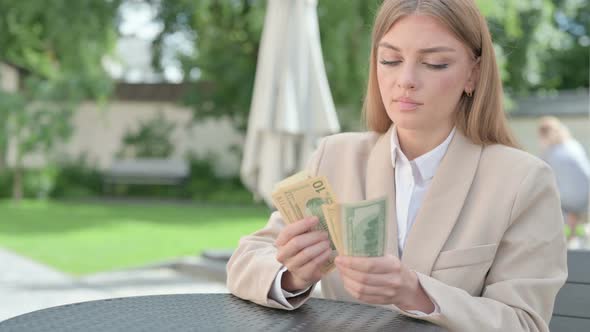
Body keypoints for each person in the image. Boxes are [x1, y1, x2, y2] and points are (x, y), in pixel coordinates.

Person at [227, 0, 568, 330]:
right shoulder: (336, 156)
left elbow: (524, 323)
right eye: (390, 60)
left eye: (434, 63)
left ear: (473, 75)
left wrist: (416, 294)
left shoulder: (523, 181)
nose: (405, 79)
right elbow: (246, 260)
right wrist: (292, 276)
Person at [538, 116, 590, 241]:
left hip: (569, 199)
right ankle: (573, 236)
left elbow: (540, 176)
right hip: (586, 194)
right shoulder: (573, 144)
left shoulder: (551, 152)